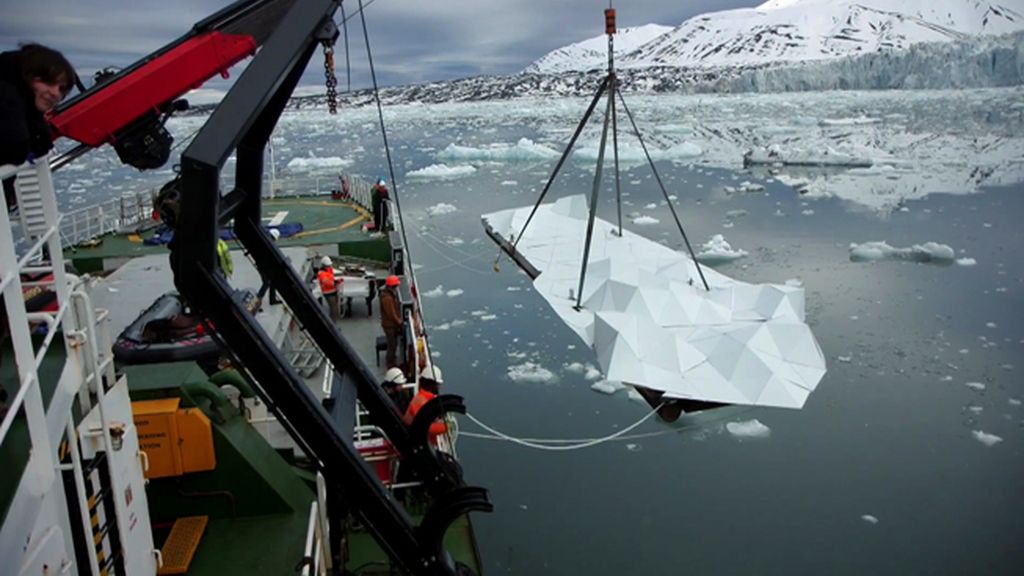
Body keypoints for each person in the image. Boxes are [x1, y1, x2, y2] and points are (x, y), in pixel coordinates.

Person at [1, 43, 75, 210]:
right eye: (49, 81)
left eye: (61, 88)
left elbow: (41, 145)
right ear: (27, 76)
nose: (56, 93)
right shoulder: (6, 98)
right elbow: (15, 146)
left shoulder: (27, 110)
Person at [402, 365, 447, 439]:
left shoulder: (422, 397)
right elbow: (428, 428)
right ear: (432, 384)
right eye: (438, 384)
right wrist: (446, 427)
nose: (439, 387)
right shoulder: (421, 402)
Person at [379, 274, 402, 368]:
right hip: (389, 326)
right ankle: (390, 363)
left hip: (390, 324)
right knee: (392, 344)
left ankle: (392, 359)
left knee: (393, 343)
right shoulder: (387, 298)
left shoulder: (387, 294)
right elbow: (391, 313)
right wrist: (399, 322)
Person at [317, 256, 340, 320]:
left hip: (333, 291)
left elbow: (332, 276)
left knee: (335, 308)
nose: (329, 266)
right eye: (328, 265)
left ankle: (333, 322)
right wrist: (335, 282)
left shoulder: (328, 270)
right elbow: (327, 283)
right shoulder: (321, 273)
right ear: (324, 265)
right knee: (333, 309)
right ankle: (332, 323)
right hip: (328, 293)